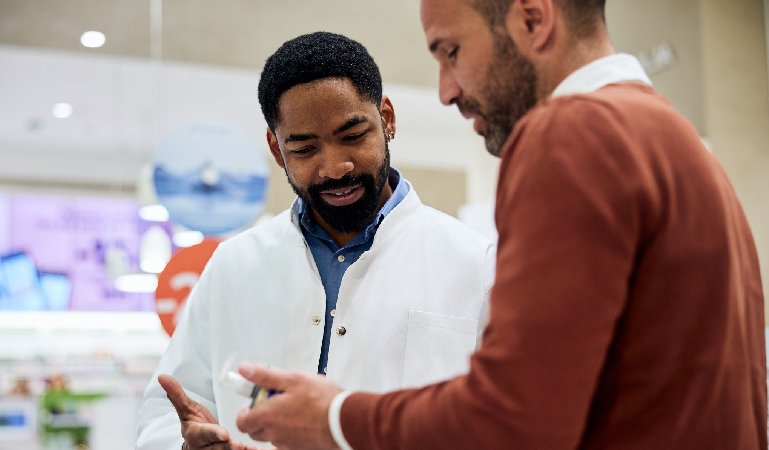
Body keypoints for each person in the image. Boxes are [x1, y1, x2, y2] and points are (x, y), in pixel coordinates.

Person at [234, 0, 768, 449]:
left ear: (533, 20)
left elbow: (515, 418)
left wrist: (334, 417)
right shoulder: (675, 140)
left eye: (452, 51)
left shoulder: (570, 133)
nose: (446, 90)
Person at [136, 31, 495, 450]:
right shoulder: (233, 265)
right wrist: (187, 445)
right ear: (276, 148)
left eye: (353, 135)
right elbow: (169, 410)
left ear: (388, 120)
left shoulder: (476, 263)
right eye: (304, 149)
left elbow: (508, 420)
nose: (335, 167)